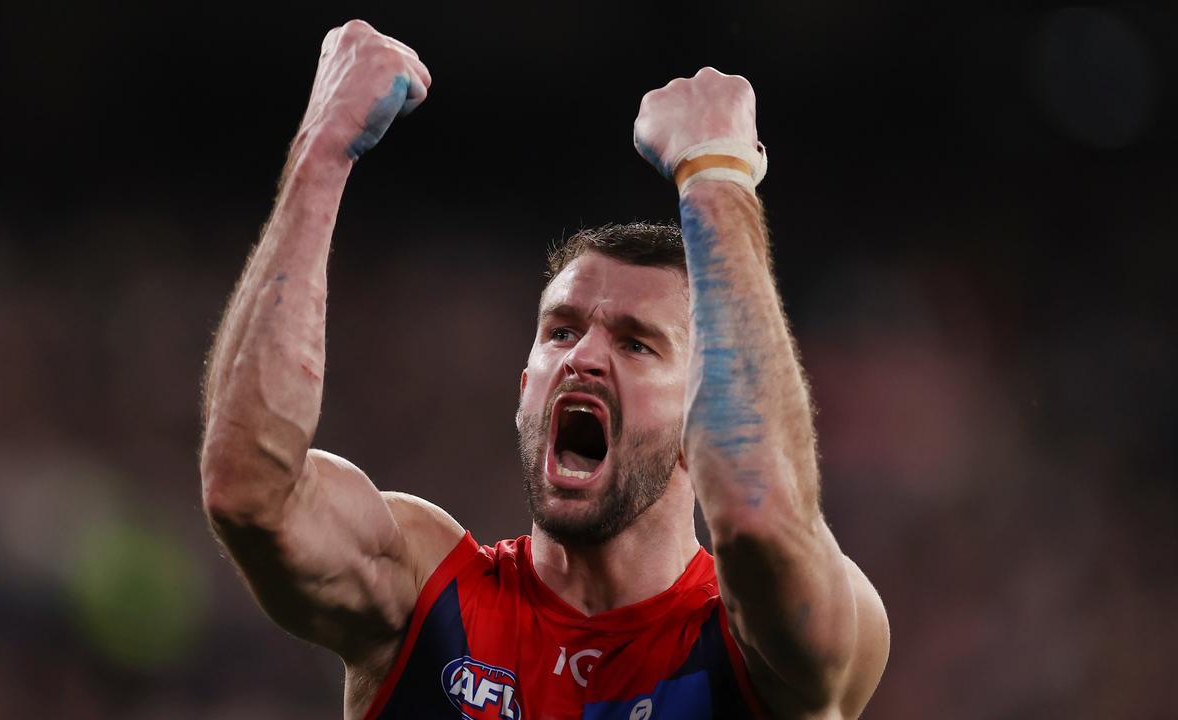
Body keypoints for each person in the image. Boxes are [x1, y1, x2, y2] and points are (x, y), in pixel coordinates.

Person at [199, 19, 889, 720]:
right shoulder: (423, 593)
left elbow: (760, 520)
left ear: (701, 421)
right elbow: (248, 491)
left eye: (636, 344)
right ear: (525, 390)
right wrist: (321, 149)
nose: (583, 357)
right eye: (561, 332)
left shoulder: (764, 646)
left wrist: (717, 175)